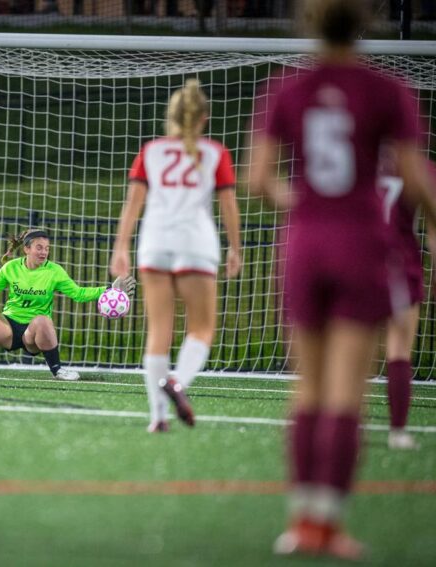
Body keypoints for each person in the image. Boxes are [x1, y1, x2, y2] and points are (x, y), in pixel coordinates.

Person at [248, 0, 436, 559]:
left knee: (305, 387)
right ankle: (327, 523)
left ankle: (298, 522)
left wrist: (305, 204)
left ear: (308, 22)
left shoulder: (287, 87)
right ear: (366, 24)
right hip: (360, 241)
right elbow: (415, 178)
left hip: (306, 242)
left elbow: (260, 180)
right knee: (345, 394)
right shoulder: (386, 89)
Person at [110, 79, 242, 433]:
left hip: (154, 242)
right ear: (204, 119)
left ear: (171, 116)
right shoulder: (215, 152)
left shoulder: (151, 151)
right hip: (195, 243)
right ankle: (178, 381)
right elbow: (229, 205)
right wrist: (235, 247)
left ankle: (158, 417)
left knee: (158, 332)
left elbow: (132, 204)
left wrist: (121, 247)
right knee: (200, 328)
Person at [0, 228, 136, 381]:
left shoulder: (54, 271)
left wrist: (109, 289)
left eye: (47, 248)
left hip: (33, 334)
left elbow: (78, 294)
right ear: (27, 249)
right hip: (8, 326)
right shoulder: (11, 267)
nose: (44, 252)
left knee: (43, 320)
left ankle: (58, 370)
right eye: (39, 247)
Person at [379, 156, 436, 450]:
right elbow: (433, 229)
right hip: (399, 263)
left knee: (343, 350)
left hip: (354, 259)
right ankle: (397, 431)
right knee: (399, 347)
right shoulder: (418, 167)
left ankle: (335, 428)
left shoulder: (358, 156)